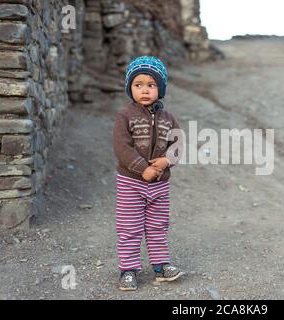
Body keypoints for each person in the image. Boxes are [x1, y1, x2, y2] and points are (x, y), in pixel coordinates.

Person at [112, 56, 184, 291]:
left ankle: (161, 266)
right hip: (131, 183)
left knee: (157, 226)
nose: (144, 90)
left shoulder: (168, 118)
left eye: (151, 85)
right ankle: (128, 270)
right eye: (138, 84)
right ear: (130, 88)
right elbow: (121, 147)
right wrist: (143, 169)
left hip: (159, 185)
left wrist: (166, 160)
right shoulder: (125, 116)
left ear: (160, 89)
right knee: (129, 226)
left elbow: (178, 144)